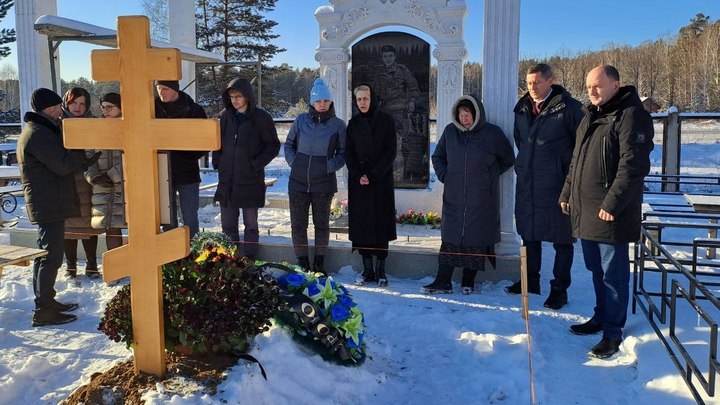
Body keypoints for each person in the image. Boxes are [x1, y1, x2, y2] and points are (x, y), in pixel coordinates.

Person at [559, 65, 654, 359]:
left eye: (598, 86)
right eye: (588, 87)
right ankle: (600, 317)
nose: (592, 91)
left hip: (610, 213)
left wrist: (612, 204)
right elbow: (577, 160)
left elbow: (633, 166)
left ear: (616, 84)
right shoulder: (591, 115)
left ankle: (613, 332)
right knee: (596, 270)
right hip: (586, 210)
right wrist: (567, 192)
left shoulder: (631, 115)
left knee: (614, 275)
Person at [17, 88, 101, 326]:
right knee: (50, 256)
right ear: (42, 110)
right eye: (53, 108)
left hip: (49, 201)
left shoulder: (41, 130)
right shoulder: (38, 134)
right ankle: (44, 310)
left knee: (47, 254)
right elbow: (63, 165)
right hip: (48, 203)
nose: (58, 111)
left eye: (56, 106)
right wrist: (81, 151)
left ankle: (47, 302)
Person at [507, 63, 583, 310]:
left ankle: (559, 290)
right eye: (529, 83)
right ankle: (530, 282)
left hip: (558, 184)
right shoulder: (521, 109)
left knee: (562, 240)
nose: (532, 88)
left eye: (537, 82)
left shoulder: (569, 109)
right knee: (529, 235)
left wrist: (569, 182)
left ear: (551, 81)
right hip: (529, 183)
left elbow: (580, 149)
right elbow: (522, 142)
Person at [422, 95, 515, 294]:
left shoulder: (492, 133)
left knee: (475, 239)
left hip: (481, 198)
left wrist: (488, 176)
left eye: (468, 114)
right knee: (450, 238)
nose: (465, 118)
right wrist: (445, 175)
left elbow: (508, 158)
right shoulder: (450, 132)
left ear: (476, 114)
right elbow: (438, 156)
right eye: (461, 114)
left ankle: (468, 282)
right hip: (454, 196)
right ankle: (443, 281)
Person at [284, 78, 346, 274]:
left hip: (324, 183)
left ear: (330, 102)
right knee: (298, 225)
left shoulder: (338, 125)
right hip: (298, 182)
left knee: (321, 225)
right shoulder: (300, 120)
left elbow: (344, 153)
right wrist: (296, 163)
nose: (322, 105)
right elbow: (288, 145)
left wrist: (328, 167)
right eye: (318, 101)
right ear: (312, 102)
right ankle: (302, 263)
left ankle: (319, 264)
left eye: (326, 101)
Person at [213, 78, 280, 260]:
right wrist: (217, 161)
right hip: (228, 180)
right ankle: (231, 261)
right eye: (231, 96)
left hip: (250, 178)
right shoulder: (225, 117)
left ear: (247, 97)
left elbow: (273, 145)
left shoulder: (261, 118)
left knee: (250, 224)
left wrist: (256, 163)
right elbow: (216, 142)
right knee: (228, 225)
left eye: (238, 96)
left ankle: (249, 260)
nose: (234, 100)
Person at [346, 84, 397, 287]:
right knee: (363, 227)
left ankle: (381, 271)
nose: (362, 103)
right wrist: (358, 175)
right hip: (359, 184)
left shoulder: (386, 121)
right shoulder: (353, 123)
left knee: (381, 226)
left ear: (372, 98)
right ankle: (367, 270)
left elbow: (390, 151)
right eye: (359, 99)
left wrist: (374, 175)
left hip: (380, 182)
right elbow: (348, 152)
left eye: (365, 98)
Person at [154, 80, 208, 239]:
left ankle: (193, 256)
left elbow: (205, 141)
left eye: (165, 89)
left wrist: (187, 156)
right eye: (158, 89)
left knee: (190, 217)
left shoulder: (194, 110)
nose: (161, 93)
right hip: (161, 172)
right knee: (167, 219)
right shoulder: (151, 109)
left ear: (175, 89)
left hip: (187, 172)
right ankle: (170, 258)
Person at [61, 87, 102, 278]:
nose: (77, 107)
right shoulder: (58, 123)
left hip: (88, 179)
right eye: (74, 103)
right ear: (67, 103)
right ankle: (70, 266)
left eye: (82, 103)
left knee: (88, 223)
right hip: (65, 179)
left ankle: (92, 264)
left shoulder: (93, 124)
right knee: (68, 225)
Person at [85, 92, 126, 251]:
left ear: (120, 107)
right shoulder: (96, 129)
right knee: (111, 226)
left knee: (133, 226)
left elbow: (134, 154)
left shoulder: (128, 127)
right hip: (102, 185)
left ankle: (130, 266)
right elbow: (89, 155)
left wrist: (113, 175)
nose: (105, 111)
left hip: (125, 183)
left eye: (110, 107)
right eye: (103, 107)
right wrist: (94, 176)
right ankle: (117, 268)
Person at [374, 45, 421, 182]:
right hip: (383, 110)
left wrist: (411, 101)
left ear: (394, 57)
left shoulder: (402, 70)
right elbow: (374, 92)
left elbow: (413, 86)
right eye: (385, 56)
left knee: (400, 141)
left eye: (390, 56)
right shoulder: (379, 72)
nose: (387, 59)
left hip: (399, 109)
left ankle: (402, 174)